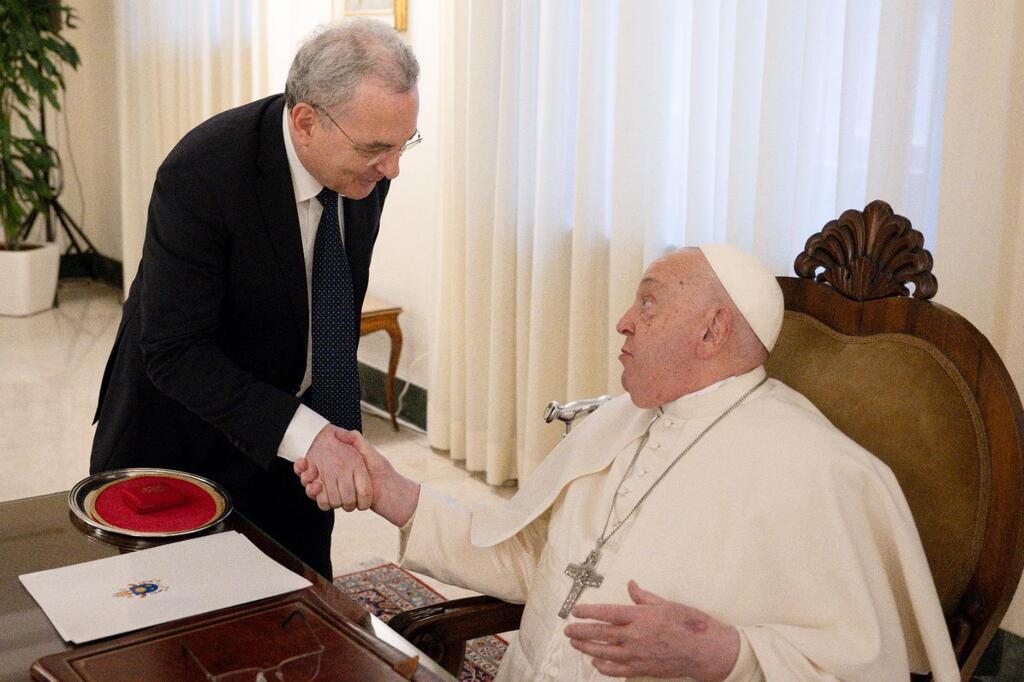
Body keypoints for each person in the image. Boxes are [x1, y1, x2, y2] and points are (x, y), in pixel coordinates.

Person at [298, 245, 960, 680]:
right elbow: (540, 564)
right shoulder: (620, 419)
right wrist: (396, 493)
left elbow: (861, 668)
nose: (622, 321)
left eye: (648, 301)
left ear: (711, 331)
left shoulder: (818, 472)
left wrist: (729, 655)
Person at [90, 18, 420, 579]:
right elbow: (175, 351)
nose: (392, 168)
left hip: (296, 448)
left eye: (403, 144)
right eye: (376, 149)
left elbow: (329, 302)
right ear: (306, 121)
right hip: (184, 442)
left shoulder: (365, 171)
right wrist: (306, 432)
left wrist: (329, 433)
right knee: (174, 632)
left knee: (304, 606)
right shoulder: (203, 173)